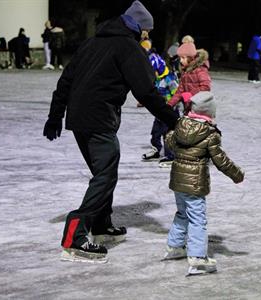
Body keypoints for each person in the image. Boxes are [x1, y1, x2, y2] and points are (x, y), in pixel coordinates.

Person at [42, 0, 179, 263]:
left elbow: (65, 81)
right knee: (105, 174)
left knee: (103, 172)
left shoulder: (91, 43)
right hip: (99, 119)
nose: (146, 36)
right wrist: (174, 120)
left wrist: (55, 115)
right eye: (146, 31)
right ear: (139, 27)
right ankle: (75, 235)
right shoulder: (129, 48)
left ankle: (101, 224)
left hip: (79, 119)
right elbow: (147, 93)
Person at [162, 91, 244, 276]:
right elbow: (221, 160)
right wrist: (237, 175)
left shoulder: (180, 125)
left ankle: (174, 246)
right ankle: (198, 258)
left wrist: (170, 136)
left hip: (177, 180)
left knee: (182, 213)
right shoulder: (209, 134)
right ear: (209, 113)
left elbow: (169, 142)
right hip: (195, 184)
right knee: (197, 218)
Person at [140, 39, 180, 167]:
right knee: (155, 132)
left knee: (167, 133)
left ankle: (170, 155)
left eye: (154, 72)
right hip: (159, 110)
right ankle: (156, 149)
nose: (153, 74)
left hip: (169, 110)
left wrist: (171, 105)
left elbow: (177, 93)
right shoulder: (156, 80)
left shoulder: (169, 79)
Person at [167, 42, 211, 116]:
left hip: (200, 109)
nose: (180, 61)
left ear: (191, 58)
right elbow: (179, 91)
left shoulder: (200, 70)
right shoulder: (186, 72)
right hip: (188, 108)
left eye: (183, 58)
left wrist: (190, 95)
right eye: (180, 58)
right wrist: (169, 104)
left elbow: (206, 86)